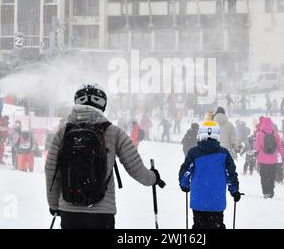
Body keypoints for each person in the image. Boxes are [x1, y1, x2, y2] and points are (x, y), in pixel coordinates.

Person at [45, 83, 165, 229]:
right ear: (102, 105)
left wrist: (53, 204)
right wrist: (153, 178)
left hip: (70, 211)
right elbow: (135, 168)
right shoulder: (114, 132)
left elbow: (51, 171)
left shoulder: (63, 133)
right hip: (102, 214)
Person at [179, 120, 240, 229]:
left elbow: (185, 172)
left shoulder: (194, 152)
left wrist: (185, 185)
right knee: (217, 225)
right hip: (216, 201)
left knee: (199, 227)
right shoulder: (224, 153)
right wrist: (234, 191)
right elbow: (230, 174)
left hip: (198, 200)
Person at [255, 117, 284, 198]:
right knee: (271, 177)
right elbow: (280, 147)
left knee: (264, 177)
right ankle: (271, 192)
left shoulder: (260, 134)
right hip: (273, 160)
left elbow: (257, 147)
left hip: (262, 160)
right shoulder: (276, 134)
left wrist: (258, 153)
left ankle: (265, 192)